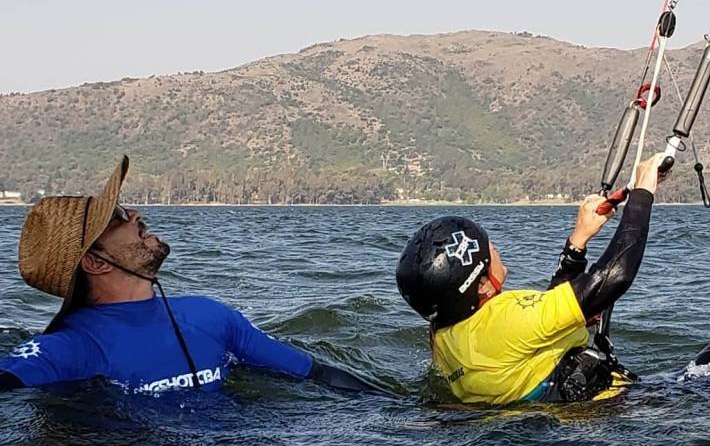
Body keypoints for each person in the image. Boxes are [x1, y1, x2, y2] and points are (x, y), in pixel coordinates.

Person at [0, 156, 386, 396]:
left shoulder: (211, 316)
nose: (133, 214)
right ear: (95, 263)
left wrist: (412, 414)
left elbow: (315, 375)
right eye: (115, 217)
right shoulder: (69, 348)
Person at [395, 153, 668, 405]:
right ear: (482, 284)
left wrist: (578, 241)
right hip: (619, 411)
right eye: (488, 249)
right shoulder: (505, 319)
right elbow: (614, 277)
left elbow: (545, 322)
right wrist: (642, 194)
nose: (494, 249)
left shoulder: (445, 337)